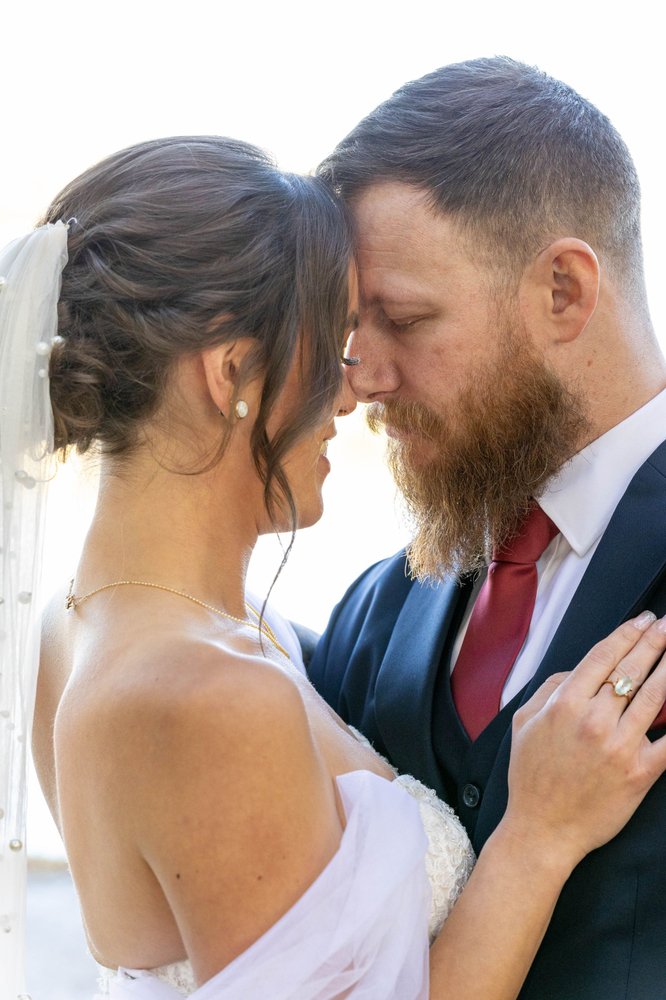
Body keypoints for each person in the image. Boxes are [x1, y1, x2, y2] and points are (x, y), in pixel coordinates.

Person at [0, 137, 665, 1000]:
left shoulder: (76, 631)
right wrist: (535, 840)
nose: (355, 388)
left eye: (403, 320)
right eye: (336, 339)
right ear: (230, 372)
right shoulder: (214, 690)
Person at [308, 56, 666, 999]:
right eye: (351, 329)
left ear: (563, 291)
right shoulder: (375, 611)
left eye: (403, 319)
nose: (361, 377)